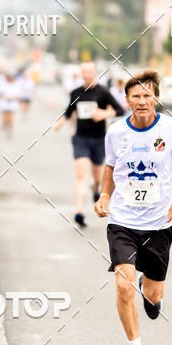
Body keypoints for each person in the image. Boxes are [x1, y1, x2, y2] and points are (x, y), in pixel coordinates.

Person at [94, 70, 172, 345]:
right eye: (136, 96)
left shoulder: (170, 129)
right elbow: (109, 167)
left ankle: (149, 287)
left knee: (153, 296)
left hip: (158, 226)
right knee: (122, 284)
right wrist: (104, 196)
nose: (142, 101)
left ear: (156, 98)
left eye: (147, 95)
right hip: (122, 222)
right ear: (127, 100)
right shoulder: (116, 132)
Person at [53, 61, 124, 228]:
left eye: (90, 71)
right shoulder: (76, 92)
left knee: (97, 176)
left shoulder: (103, 92)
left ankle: (96, 189)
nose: (87, 74)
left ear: (95, 73)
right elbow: (69, 112)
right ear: (81, 73)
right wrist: (59, 123)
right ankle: (79, 211)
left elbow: (119, 110)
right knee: (81, 175)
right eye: (84, 71)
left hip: (99, 139)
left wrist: (104, 114)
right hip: (81, 139)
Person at [0, 69, 21, 138]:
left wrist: (15, 98)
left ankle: (9, 131)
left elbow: (19, 95)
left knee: (11, 118)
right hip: (4, 104)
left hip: (13, 104)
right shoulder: (3, 84)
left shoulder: (16, 85)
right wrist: (4, 97)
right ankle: (4, 123)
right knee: (5, 117)